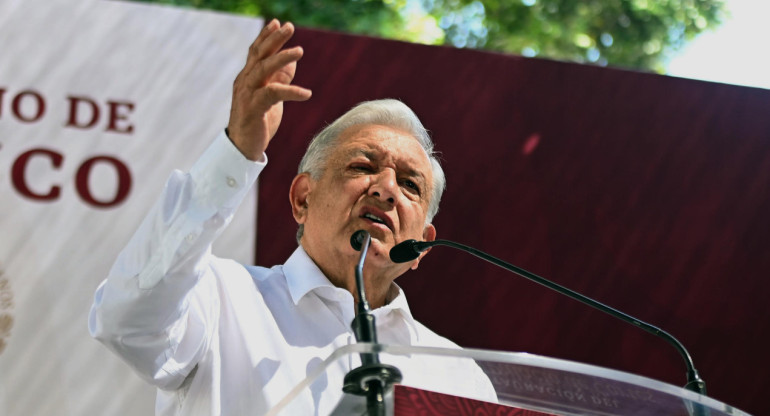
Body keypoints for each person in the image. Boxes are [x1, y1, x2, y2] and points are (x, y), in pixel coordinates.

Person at [89, 20, 495, 415]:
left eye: (410, 184)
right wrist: (236, 154)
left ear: (422, 245)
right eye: (361, 166)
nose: (386, 188)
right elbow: (126, 322)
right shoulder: (221, 299)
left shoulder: (457, 374)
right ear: (303, 199)